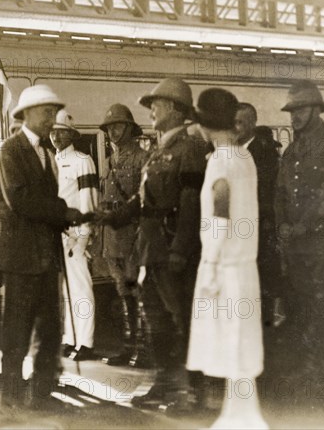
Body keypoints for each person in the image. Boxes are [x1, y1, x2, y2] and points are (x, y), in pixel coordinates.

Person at [98, 78, 209, 408]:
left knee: (182, 320)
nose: (151, 111)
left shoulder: (190, 150)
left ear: (174, 110)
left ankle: (192, 391)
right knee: (156, 321)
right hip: (152, 250)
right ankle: (164, 384)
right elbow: (142, 200)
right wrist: (112, 217)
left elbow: (191, 203)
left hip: (174, 251)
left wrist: (180, 249)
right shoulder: (158, 150)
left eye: (156, 106)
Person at [0, 84, 89, 411]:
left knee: (49, 330)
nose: (52, 119)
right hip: (20, 259)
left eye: (53, 112)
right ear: (27, 114)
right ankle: (10, 398)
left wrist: (67, 217)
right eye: (47, 112)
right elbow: (19, 200)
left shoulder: (47, 153)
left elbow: (45, 204)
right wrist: (63, 211)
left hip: (47, 257)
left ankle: (43, 393)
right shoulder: (10, 151)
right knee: (16, 332)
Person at [187, 88, 268, 429]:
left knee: (231, 341)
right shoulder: (243, 157)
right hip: (245, 267)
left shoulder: (219, 160)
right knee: (242, 343)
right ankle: (240, 414)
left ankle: (241, 419)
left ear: (205, 125)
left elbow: (220, 213)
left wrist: (212, 266)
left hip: (226, 264)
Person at [275, 80, 324, 405]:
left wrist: (302, 227)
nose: (295, 117)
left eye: (301, 110)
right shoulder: (292, 149)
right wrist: (281, 225)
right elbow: (279, 192)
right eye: (292, 111)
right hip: (295, 247)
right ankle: (309, 369)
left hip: (322, 244)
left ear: (317, 110)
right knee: (301, 306)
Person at [98, 103, 152, 368]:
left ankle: (144, 350)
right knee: (123, 293)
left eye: (118, 126)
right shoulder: (109, 161)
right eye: (109, 128)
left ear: (130, 128)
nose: (113, 132)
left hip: (133, 236)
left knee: (138, 294)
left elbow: (145, 202)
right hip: (113, 237)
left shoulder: (143, 159)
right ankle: (128, 346)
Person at [49, 109, 99, 361]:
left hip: (75, 236)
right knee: (66, 292)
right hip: (57, 235)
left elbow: (87, 201)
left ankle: (86, 343)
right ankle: (70, 339)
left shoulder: (82, 160)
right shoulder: (50, 161)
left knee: (80, 288)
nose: (56, 136)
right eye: (52, 131)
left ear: (71, 134)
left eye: (61, 132)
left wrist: (83, 236)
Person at [235, 103, 285, 330]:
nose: (234, 128)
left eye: (240, 123)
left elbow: (264, 196)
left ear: (253, 124)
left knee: (259, 288)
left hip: (258, 234)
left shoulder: (264, 154)